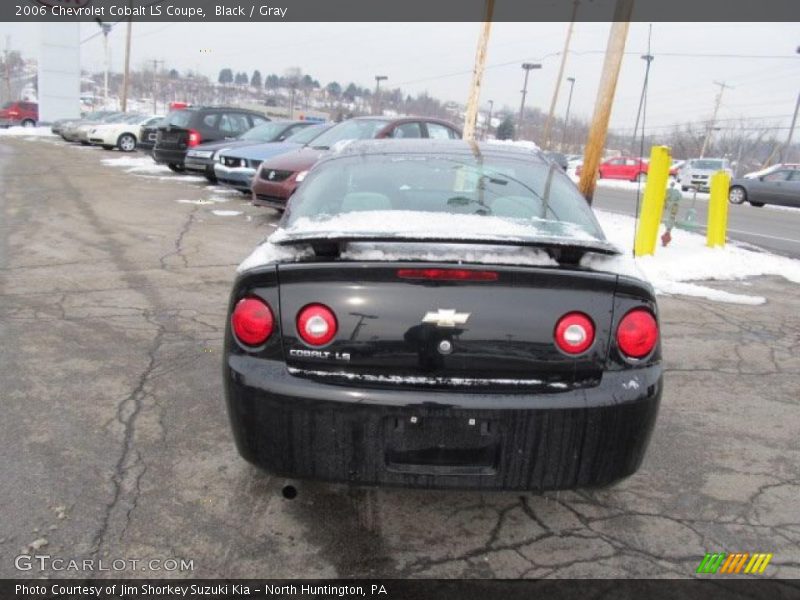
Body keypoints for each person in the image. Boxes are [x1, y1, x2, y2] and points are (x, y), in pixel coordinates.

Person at [661, 180, 682, 246]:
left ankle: (666, 237)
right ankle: (666, 235)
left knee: (670, 222)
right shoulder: (674, 194)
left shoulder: (669, 193)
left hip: (670, 211)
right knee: (670, 221)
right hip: (671, 211)